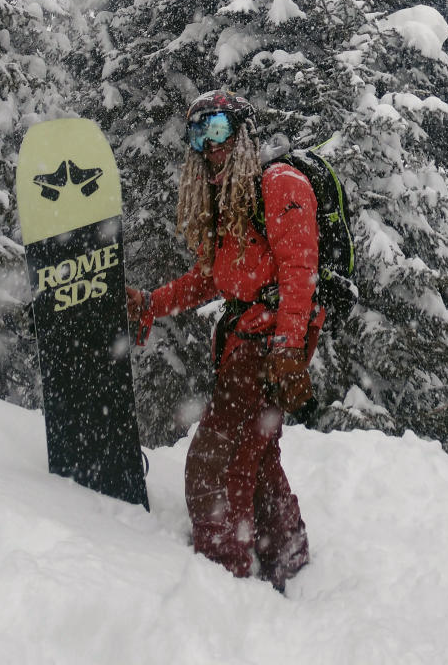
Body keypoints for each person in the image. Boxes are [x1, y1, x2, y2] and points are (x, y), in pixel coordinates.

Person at [126, 90, 323, 590]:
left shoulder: (280, 184)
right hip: (245, 346)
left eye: (216, 129)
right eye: (197, 134)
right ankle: (290, 562)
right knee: (255, 459)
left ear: (241, 132)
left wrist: (285, 352)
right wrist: (153, 304)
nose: (208, 145)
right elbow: (211, 278)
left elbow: (301, 274)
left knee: (212, 466)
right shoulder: (231, 202)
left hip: (268, 347)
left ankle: (223, 584)